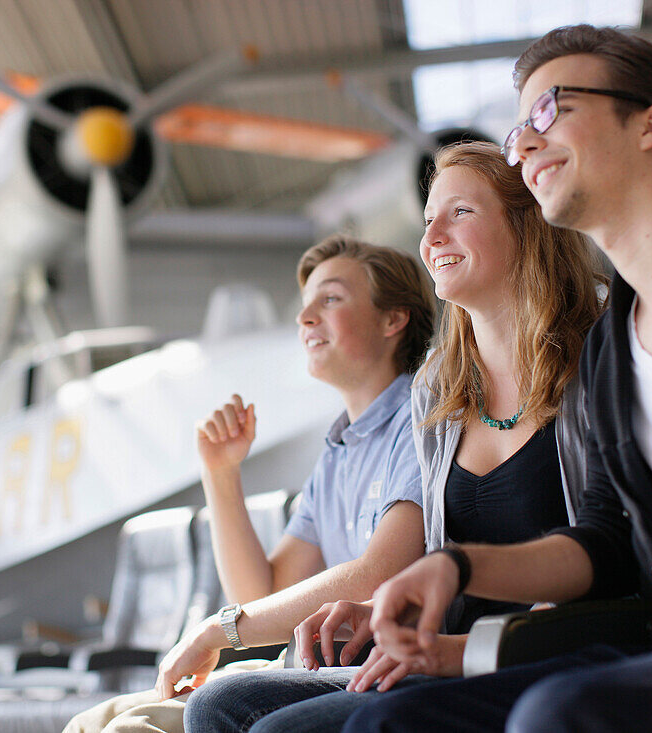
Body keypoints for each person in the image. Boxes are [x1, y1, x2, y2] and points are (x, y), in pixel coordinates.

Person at [344, 24, 652, 733]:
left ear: (650, 124)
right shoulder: (611, 352)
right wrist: (456, 565)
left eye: (549, 109)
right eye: (519, 126)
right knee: (383, 723)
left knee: (561, 714)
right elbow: (605, 541)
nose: (521, 143)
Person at [183, 140, 604, 733]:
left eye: (460, 212)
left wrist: (222, 629)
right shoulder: (441, 388)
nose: (432, 236)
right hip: (445, 648)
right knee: (215, 705)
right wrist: (381, 615)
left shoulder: (597, 363)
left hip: (535, 648)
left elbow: (601, 553)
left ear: (527, 223)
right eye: (428, 219)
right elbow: (377, 577)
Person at [62, 234, 435, 733]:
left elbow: (378, 574)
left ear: (394, 319)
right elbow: (262, 591)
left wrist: (216, 631)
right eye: (305, 306)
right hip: (308, 667)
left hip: (373, 669)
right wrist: (220, 473)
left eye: (330, 299)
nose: (304, 319)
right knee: (93, 721)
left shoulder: (421, 418)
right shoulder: (338, 452)